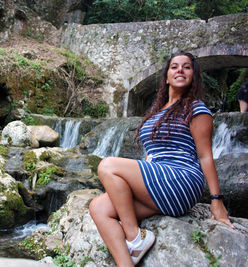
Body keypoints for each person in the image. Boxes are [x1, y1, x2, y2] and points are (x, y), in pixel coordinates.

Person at [89, 51, 233, 266]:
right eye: (174, 67)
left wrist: (216, 200)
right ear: (166, 77)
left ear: (194, 75)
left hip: (181, 179)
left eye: (187, 67)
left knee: (108, 165)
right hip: (157, 182)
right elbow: (152, 151)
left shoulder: (197, 109)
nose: (180, 70)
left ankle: (135, 237)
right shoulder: (158, 111)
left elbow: (205, 155)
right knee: (98, 208)